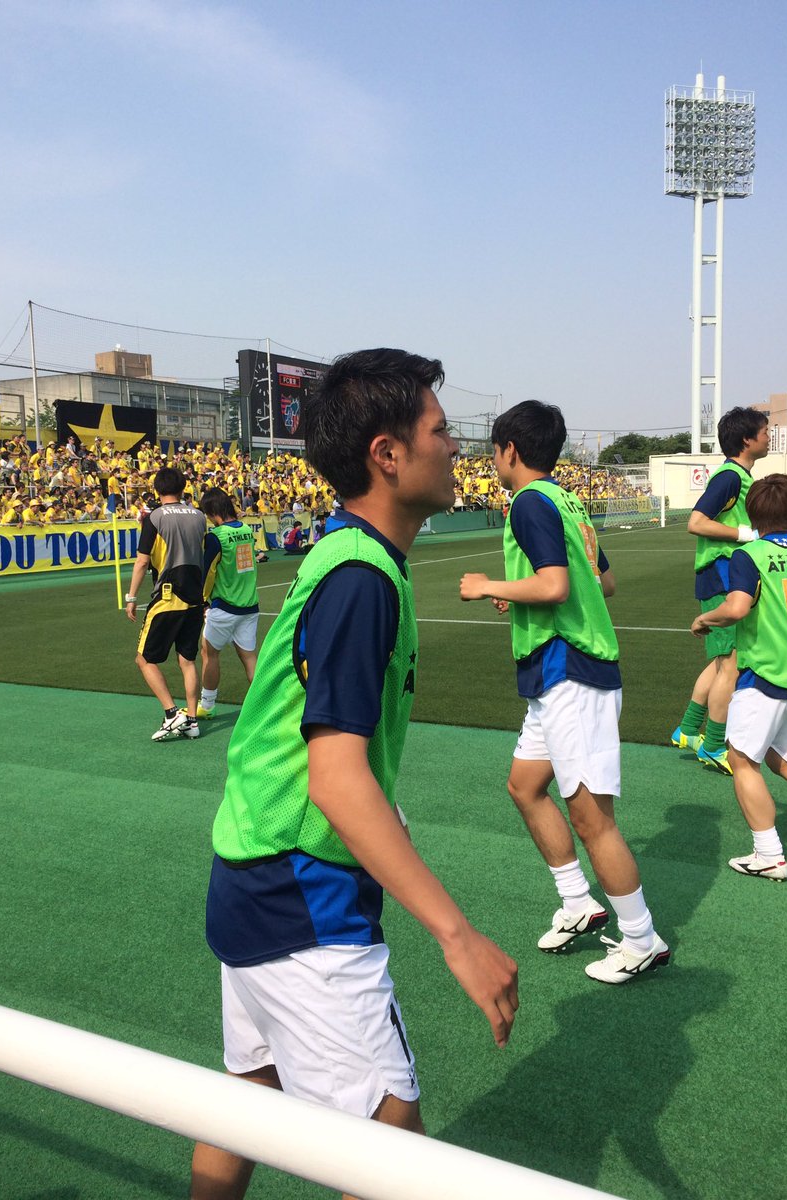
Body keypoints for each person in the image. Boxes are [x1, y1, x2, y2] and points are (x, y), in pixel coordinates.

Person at [192, 349, 519, 1200]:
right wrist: (460, 936)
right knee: (390, 1139)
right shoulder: (360, 578)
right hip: (300, 893)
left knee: (248, 1105)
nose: (458, 449)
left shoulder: (350, 556)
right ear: (388, 454)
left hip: (253, 873)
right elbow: (337, 779)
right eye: (442, 431)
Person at [460, 400, 668, 985]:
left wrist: (486, 586)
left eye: (493, 451)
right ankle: (578, 902)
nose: (492, 461)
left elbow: (555, 585)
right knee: (525, 787)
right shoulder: (566, 500)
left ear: (510, 451)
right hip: (558, 671)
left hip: (571, 672)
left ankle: (640, 938)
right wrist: (517, 591)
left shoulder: (528, 501)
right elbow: (603, 580)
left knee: (592, 819)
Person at [691, 474, 787, 880]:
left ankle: (769, 854)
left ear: (753, 514)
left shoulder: (750, 555)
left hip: (766, 677)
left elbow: (738, 607)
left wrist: (706, 618)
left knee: (741, 758)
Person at [670, 407, 770, 774]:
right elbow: (696, 522)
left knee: (721, 660)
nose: (768, 435)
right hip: (722, 574)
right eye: (764, 430)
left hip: (724, 573)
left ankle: (687, 728)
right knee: (731, 664)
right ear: (747, 440)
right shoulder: (729, 477)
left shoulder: (738, 476)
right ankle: (713, 745)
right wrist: (744, 534)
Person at [125, 465, 208, 742]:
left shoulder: (155, 517)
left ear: (157, 490)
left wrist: (131, 597)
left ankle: (172, 714)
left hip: (168, 594)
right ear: (183, 488)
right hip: (195, 596)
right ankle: (192, 720)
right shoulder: (198, 516)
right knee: (187, 660)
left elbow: (142, 560)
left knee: (144, 659)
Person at [193, 488, 260, 720]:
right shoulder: (246, 529)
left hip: (224, 606)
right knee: (249, 658)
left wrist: (202, 601)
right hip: (249, 605)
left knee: (209, 654)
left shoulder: (216, 536)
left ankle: (208, 705)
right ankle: (261, 707)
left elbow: (208, 572)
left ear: (213, 511)